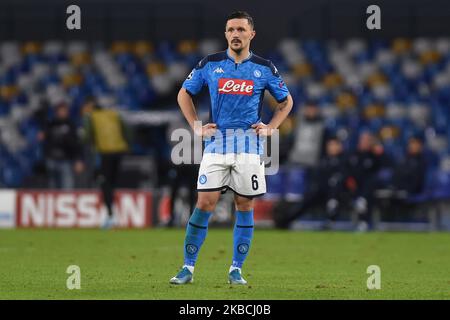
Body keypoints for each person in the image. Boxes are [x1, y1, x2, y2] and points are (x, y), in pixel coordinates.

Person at [170, 11, 293, 285]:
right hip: (217, 145)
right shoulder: (210, 64)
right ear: (226, 34)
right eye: (230, 30)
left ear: (251, 34)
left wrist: (271, 127)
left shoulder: (264, 68)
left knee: (244, 205)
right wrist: (196, 126)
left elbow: (286, 102)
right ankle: (187, 267)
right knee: (204, 203)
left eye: (240, 29)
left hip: (249, 147)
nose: (235, 34)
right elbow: (184, 93)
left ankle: (236, 269)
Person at [273, 136, 349, 229]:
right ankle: (285, 220)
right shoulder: (324, 160)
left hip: (339, 192)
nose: (331, 147)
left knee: (333, 196)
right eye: (329, 145)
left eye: (333, 145)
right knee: (308, 198)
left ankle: (330, 222)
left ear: (340, 146)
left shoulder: (345, 160)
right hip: (321, 191)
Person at [83, 101, 131, 229]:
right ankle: (114, 213)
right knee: (113, 182)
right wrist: (128, 145)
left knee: (105, 183)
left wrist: (89, 144)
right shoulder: (113, 114)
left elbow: (86, 135)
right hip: (119, 151)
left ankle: (110, 214)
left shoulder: (91, 117)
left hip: (105, 153)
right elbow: (127, 129)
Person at [38, 102, 84, 189]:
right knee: (52, 187)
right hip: (52, 159)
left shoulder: (71, 125)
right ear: (56, 112)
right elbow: (44, 140)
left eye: (64, 111)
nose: (63, 113)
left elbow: (76, 144)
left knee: (67, 187)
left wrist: (78, 159)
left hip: (66, 160)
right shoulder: (51, 125)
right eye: (61, 111)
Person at [346, 131, 385, 231]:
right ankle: (363, 221)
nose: (365, 143)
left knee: (370, 184)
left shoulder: (374, 155)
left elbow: (385, 166)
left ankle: (364, 221)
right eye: (363, 140)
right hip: (354, 185)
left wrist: (380, 153)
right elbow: (347, 169)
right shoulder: (353, 155)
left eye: (368, 141)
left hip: (369, 186)